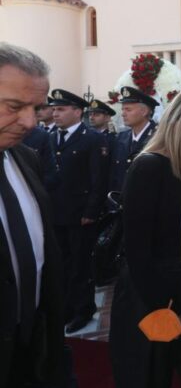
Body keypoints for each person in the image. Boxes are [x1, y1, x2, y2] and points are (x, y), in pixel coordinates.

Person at [110, 88, 181, 388]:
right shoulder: (148, 167)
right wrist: (164, 307)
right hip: (150, 298)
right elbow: (138, 249)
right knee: (148, 378)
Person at [0, 42, 68, 388]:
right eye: (14, 107)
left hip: (32, 354)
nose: (30, 122)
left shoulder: (25, 159)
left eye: (37, 108)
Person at [48, 88, 109, 333]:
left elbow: (98, 179)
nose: (55, 114)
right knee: (61, 264)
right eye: (54, 109)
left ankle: (83, 310)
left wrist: (91, 211)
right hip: (56, 213)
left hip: (80, 215)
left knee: (80, 266)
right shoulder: (51, 137)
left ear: (77, 112)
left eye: (61, 109)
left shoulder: (92, 139)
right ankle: (66, 308)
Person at [109, 86, 158, 194]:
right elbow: (115, 175)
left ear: (144, 111)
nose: (123, 114)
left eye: (128, 109)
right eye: (122, 109)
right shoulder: (121, 137)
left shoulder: (158, 138)